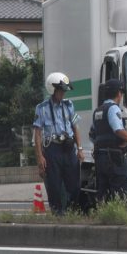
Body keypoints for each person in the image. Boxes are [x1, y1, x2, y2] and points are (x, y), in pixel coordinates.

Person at [33, 72, 84, 214]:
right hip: (52, 149)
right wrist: (40, 157)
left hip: (68, 148)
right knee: (54, 185)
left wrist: (79, 148)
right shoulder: (41, 108)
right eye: (61, 90)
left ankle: (72, 210)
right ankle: (57, 213)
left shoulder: (69, 105)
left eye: (64, 91)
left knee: (74, 184)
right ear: (52, 89)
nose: (63, 94)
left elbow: (76, 127)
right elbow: (37, 134)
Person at [91, 79, 127, 201]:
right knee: (121, 188)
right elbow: (118, 129)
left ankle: (105, 214)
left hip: (100, 157)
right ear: (119, 93)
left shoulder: (98, 111)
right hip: (113, 157)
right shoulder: (113, 109)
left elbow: (92, 135)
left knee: (104, 190)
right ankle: (120, 216)